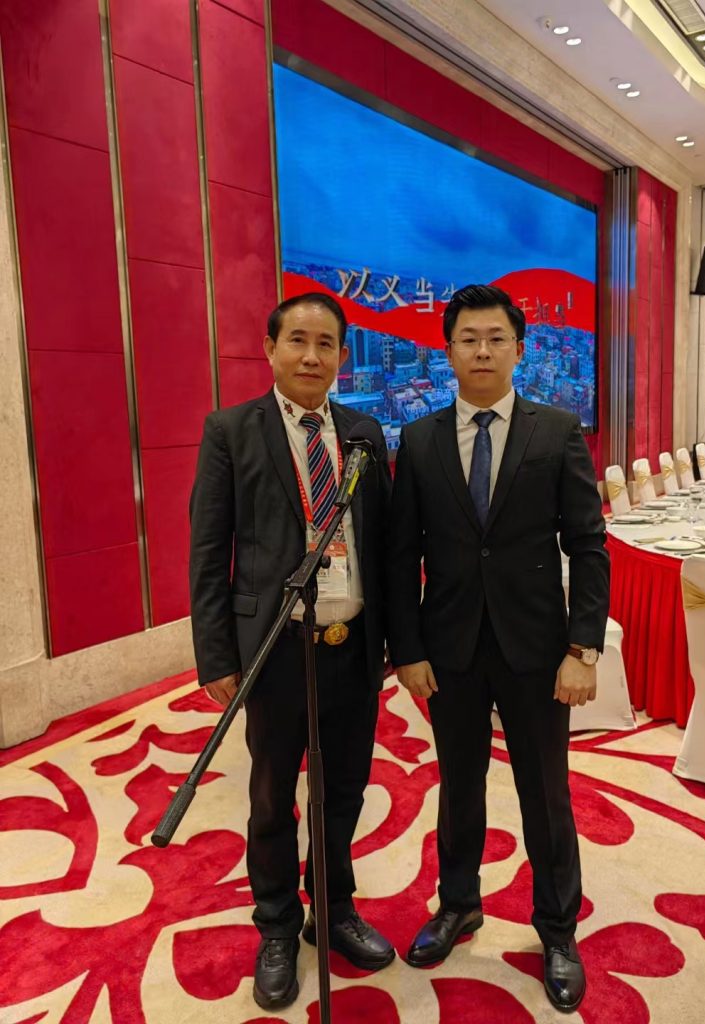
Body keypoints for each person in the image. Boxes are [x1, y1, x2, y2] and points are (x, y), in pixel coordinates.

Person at [387, 284, 609, 1013]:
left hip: (538, 648)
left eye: (495, 339)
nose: (482, 351)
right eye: (468, 339)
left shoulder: (557, 430)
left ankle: (557, 929)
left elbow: (588, 546)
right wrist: (407, 648)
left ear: (519, 349)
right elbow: (402, 555)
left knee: (546, 792)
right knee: (460, 785)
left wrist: (582, 648)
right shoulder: (419, 440)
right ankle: (459, 904)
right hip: (448, 647)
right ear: (448, 350)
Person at [189, 292, 394, 1011]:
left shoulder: (364, 432)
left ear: (341, 356)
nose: (312, 356)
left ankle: (332, 911)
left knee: (344, 790)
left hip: (352, 643)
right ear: (271, 348)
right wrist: (217, 655)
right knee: (274, 796)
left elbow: (383, 545)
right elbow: (208, 551)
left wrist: (393, 640)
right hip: (275, 649)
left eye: (326, 344)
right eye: (298, 341)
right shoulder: (231, 431)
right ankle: (276, 926)